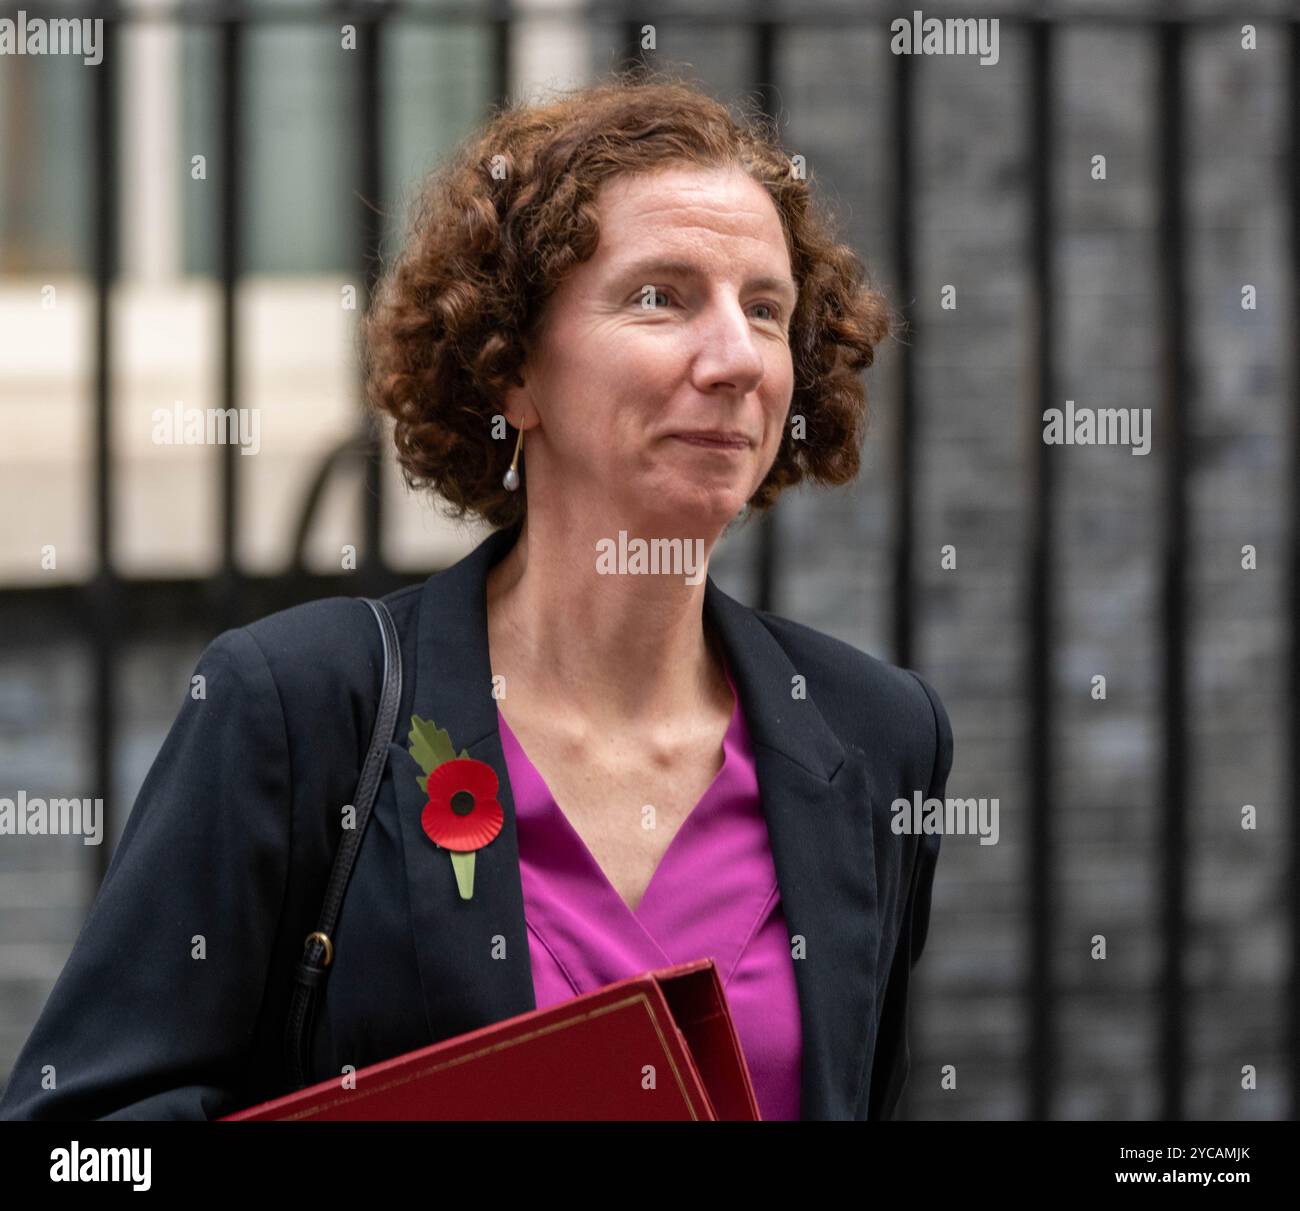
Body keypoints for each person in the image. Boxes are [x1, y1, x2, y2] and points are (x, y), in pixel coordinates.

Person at [0, 69, 953, 1122]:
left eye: (765, 309)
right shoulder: (300, 706)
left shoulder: (875, 734)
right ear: (511, 371)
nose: (735, 356)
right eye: (660, 296)